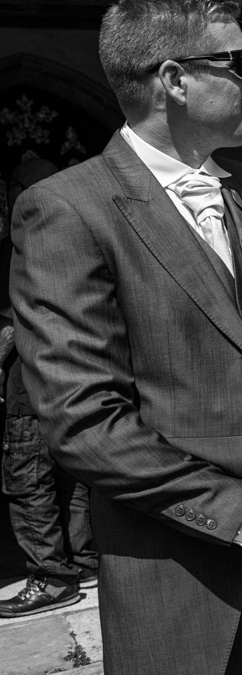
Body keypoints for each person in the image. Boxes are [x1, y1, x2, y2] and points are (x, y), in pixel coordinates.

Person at [9, 0, 242, 674]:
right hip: (185, 584)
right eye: (238, 64)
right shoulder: (65, 210)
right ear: (172, 80)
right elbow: (83, 420)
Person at [0, 157, 100, 618]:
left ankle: (52, 577)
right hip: (76, 377)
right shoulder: (82, 235)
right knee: (70, 473)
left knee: (29, 478)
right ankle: (81, 562)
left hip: (32, 379)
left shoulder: (22, 243)